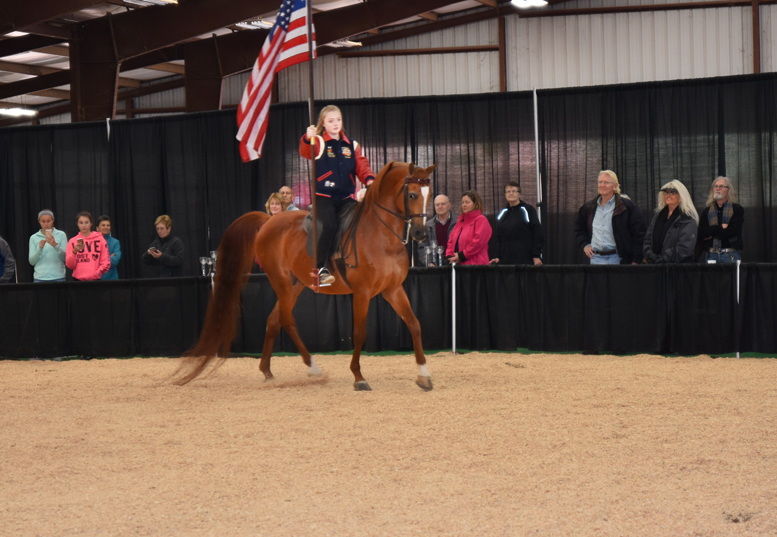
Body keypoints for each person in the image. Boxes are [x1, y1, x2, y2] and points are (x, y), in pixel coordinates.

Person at [300, 104, 376, 286]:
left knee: (363, 220)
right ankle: (319, 269)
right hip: (324, 198)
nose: (335, 124)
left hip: (346, 199)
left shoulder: (352, 145)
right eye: (331, 120)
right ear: (323, 124)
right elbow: (304, 152)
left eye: (338, 120)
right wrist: (306, 138)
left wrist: (370, 181)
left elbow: (362, 166)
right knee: (329, 224)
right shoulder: (317, 142)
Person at [574, 170, 646, 265]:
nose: (602, 185)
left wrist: (636, 260)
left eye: (606, 182)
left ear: (615, 186)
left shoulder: (627, 207)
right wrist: (585, 244)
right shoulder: (589, 208)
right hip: (595, 259)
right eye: (600, 182)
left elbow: (638, 234)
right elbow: (579, 228)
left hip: (619, 259)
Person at [643, 180, 699, 264]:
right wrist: (651, 255)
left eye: (672, 193)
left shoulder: (687, 218)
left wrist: (664, 259)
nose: (668, 195)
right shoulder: (658, 215)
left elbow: (685, 247)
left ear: (681, 197)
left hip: (677, 269)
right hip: (655, 268)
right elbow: (647, 239)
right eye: (666, 193)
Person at [490, 181, 544, 265]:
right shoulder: (503, 213)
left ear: (519, 194)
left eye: (514, 191)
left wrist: (536, 255)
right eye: (508, 191)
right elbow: (498, 238)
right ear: (505, 195)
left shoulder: (528, 210)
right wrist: (498, 256)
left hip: (525, 259)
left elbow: (538, 233)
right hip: (506, 260)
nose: (511, 194)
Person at [698, 176, 744, 263]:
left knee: (732, 277)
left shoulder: (737, 209)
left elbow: (733, 231)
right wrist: (720, 227)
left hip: (730, 255)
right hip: (711, 255)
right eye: (715, 186)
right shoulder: (707, 211)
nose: (717, 188)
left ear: (728, 190)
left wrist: (711, 233)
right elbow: (701, 233)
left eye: (721, 186)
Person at [446, 190, 492, 265]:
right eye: (463, 202)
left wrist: (462, 256)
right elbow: (451, 240)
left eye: (467, 202)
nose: (464, 205)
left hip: (476, 266)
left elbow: (478, 243)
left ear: (475, 204)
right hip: (459, 265)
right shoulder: (460, 221)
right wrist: (450, 256)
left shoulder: (481, 220)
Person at [65, 211, 111, 281]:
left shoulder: (100, 239)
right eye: (81, 223)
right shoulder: (72, 241)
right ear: (77, 224)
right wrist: (74, 252)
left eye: (86, 222)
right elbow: (70, 265)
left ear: (91, 224)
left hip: (95, 280)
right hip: (77, 280)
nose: (84, 225)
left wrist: (97, 272)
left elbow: (105, 261)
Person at [28, 209, 68, 282]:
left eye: (48, 221)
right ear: (39, 221)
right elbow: (32, 261)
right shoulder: (34, 237)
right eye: (43, 221)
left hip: (58, 277)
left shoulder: (61, 235)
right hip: (40, 278)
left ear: (53, 221)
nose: (46, 224)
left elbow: (66, 258)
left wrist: (55, 245)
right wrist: (39, 249)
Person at [418, 194, 455, 267]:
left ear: (449, 206)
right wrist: (429, 263)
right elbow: (422, 247)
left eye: (443, 204)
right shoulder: (427, 226)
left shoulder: (459, 223)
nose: (440, 207)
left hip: (455, 265)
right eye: (437, 205)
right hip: (434, 267)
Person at [97, 215, 122, 280]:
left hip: (112, 280)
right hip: (96, 279)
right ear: (97, 228)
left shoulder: (115, 242)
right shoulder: (92, 242)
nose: (106, 227)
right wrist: (109, 257)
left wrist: (99, 259)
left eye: (108, 225)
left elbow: (115, 261)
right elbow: (91, 262)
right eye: (103, 225)